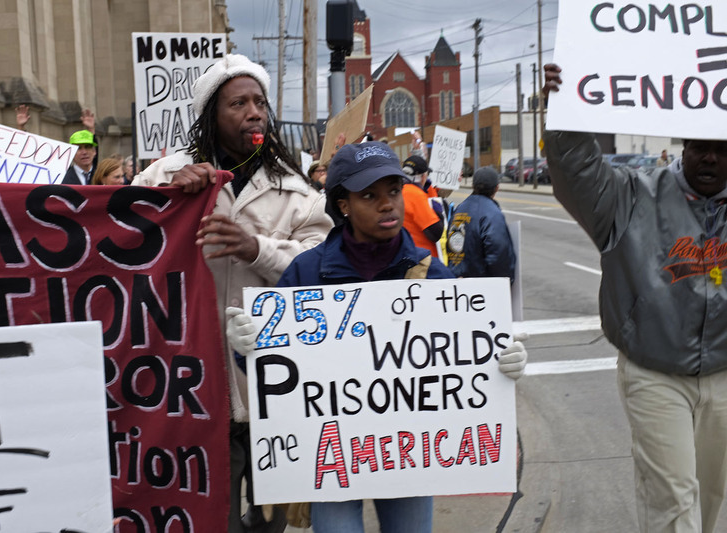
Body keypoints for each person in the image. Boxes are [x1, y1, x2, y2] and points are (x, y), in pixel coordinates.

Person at [225, 141, 528, 533]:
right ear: (343, 205)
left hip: (411, 456)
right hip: (331, 459)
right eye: (370, 195)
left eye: (394, 191)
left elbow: (464, 360)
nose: (388, 204)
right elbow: (270, 371)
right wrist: (246, 346)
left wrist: (499, 363)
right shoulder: (306, 274)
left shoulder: (433, 276)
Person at [131, 53, 333, 533]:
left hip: (275, 393)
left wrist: (254, 248)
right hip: (195, 393)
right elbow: (124, 247)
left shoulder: (297, 191)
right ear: (210, 117)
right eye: (238, 103)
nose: (254, 111)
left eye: (260, 101)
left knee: (271, 521)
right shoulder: (164, 176)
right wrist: (166, 201)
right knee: (212, 520)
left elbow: (321, 269)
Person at [543, 62, 727, 533]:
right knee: (673, 500)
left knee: (713, 499)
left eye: (722, 149)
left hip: (724, 374)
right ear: (682, 147)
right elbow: (578, 170)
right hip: (655, 375)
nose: (710, 158)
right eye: (700, 147)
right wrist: (566, 110)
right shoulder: (630, 195)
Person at [446, 166, 516, 281]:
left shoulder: (460, 209)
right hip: (481, 288)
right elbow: (498, 253)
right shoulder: (492, 213)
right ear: (496, 188)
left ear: (473, 186)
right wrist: (506, 282)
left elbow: (451, 243)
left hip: (457, 283)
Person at [400, 154, 443, 258]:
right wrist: (439, 214)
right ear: (423, 176)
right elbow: (435, 232)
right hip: (422, 257)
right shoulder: (415, 194)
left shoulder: (398, 191)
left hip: (405, 252)